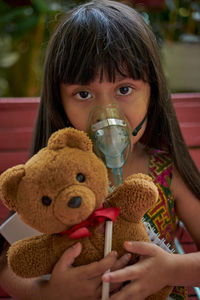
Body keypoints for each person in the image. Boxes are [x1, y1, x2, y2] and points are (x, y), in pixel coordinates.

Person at [0, 0, 200, 299]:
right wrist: (50, 291)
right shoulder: (51, 180)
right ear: (59, 102)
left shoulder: (166, 172)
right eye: (83, 93)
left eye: (124, 89)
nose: (106, 112)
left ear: (152, 92)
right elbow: (10, 266)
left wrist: (170, 269)